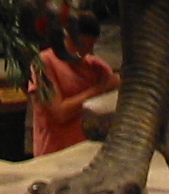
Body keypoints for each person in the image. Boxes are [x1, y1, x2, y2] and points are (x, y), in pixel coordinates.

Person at [28, 10, 121, 156]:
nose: (84, 51)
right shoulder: (44, 63)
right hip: (55, 154)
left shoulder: (98, 66)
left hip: (89, 153)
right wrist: (100, 89)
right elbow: (59, 113)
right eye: (80, 44)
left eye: (90, 46)